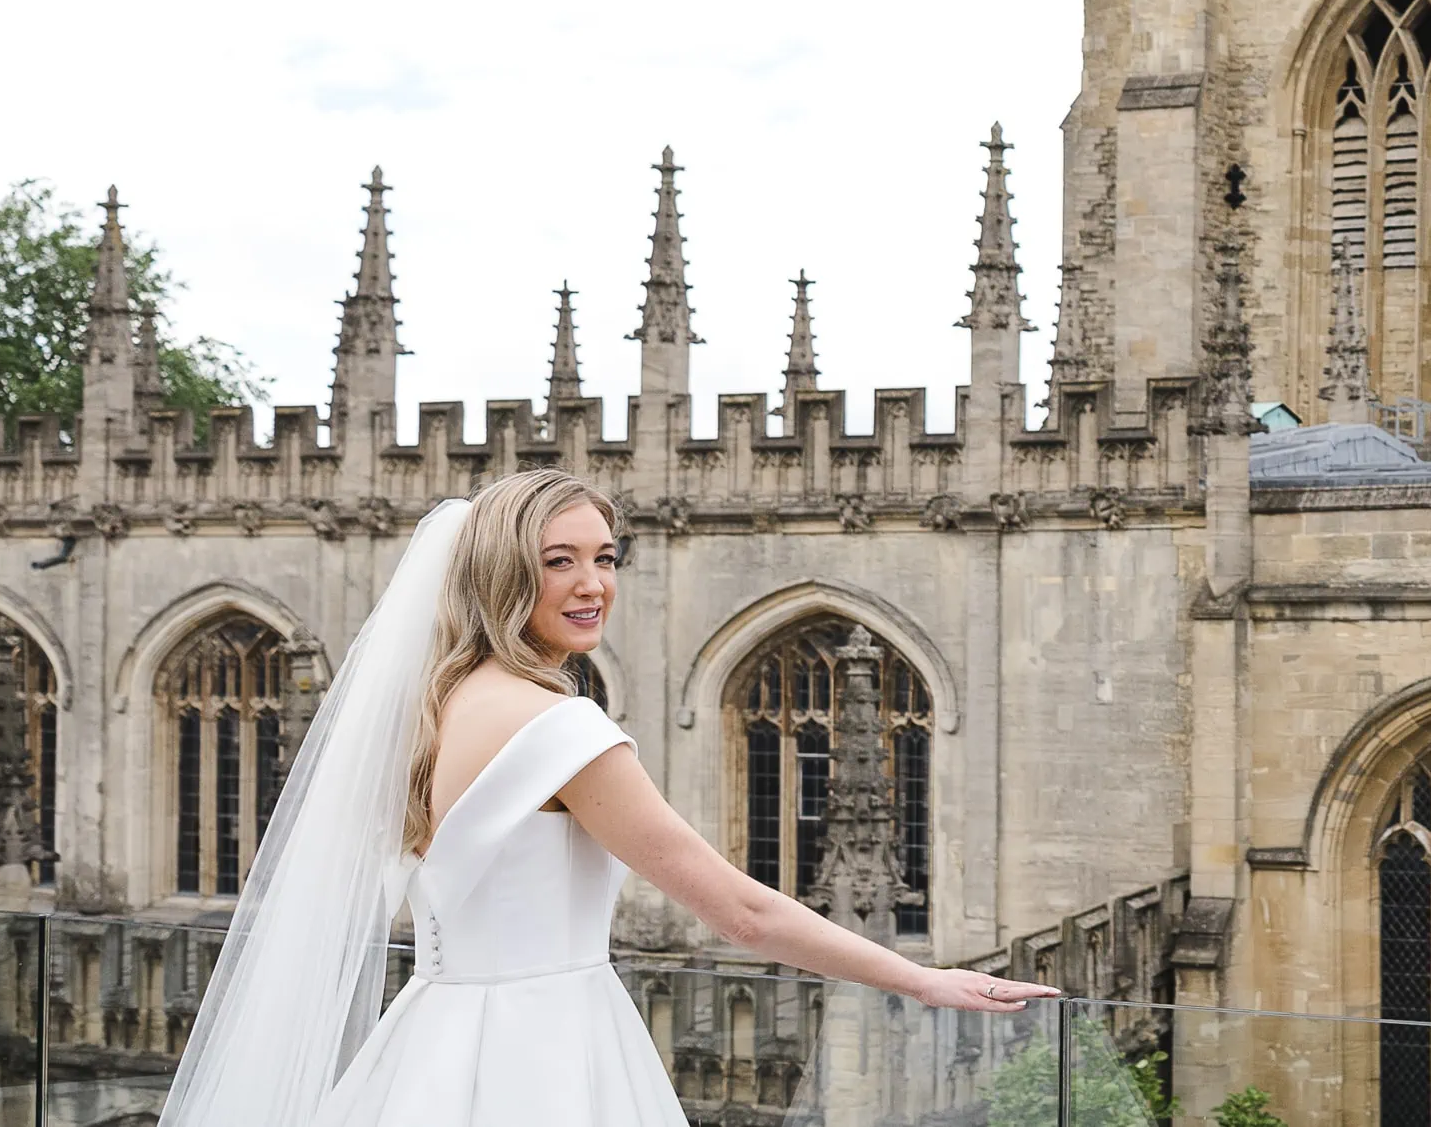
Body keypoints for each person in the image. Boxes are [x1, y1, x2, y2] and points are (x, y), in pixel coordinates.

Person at [162, 469, 1053, 1124]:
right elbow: (740, 912)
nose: (592, 584)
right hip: (546, 1047)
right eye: (559, 561)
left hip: (428, 1039)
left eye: (604, 556)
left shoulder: (434, 702)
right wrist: (920, 978)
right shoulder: (560, 728)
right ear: (502, 573)